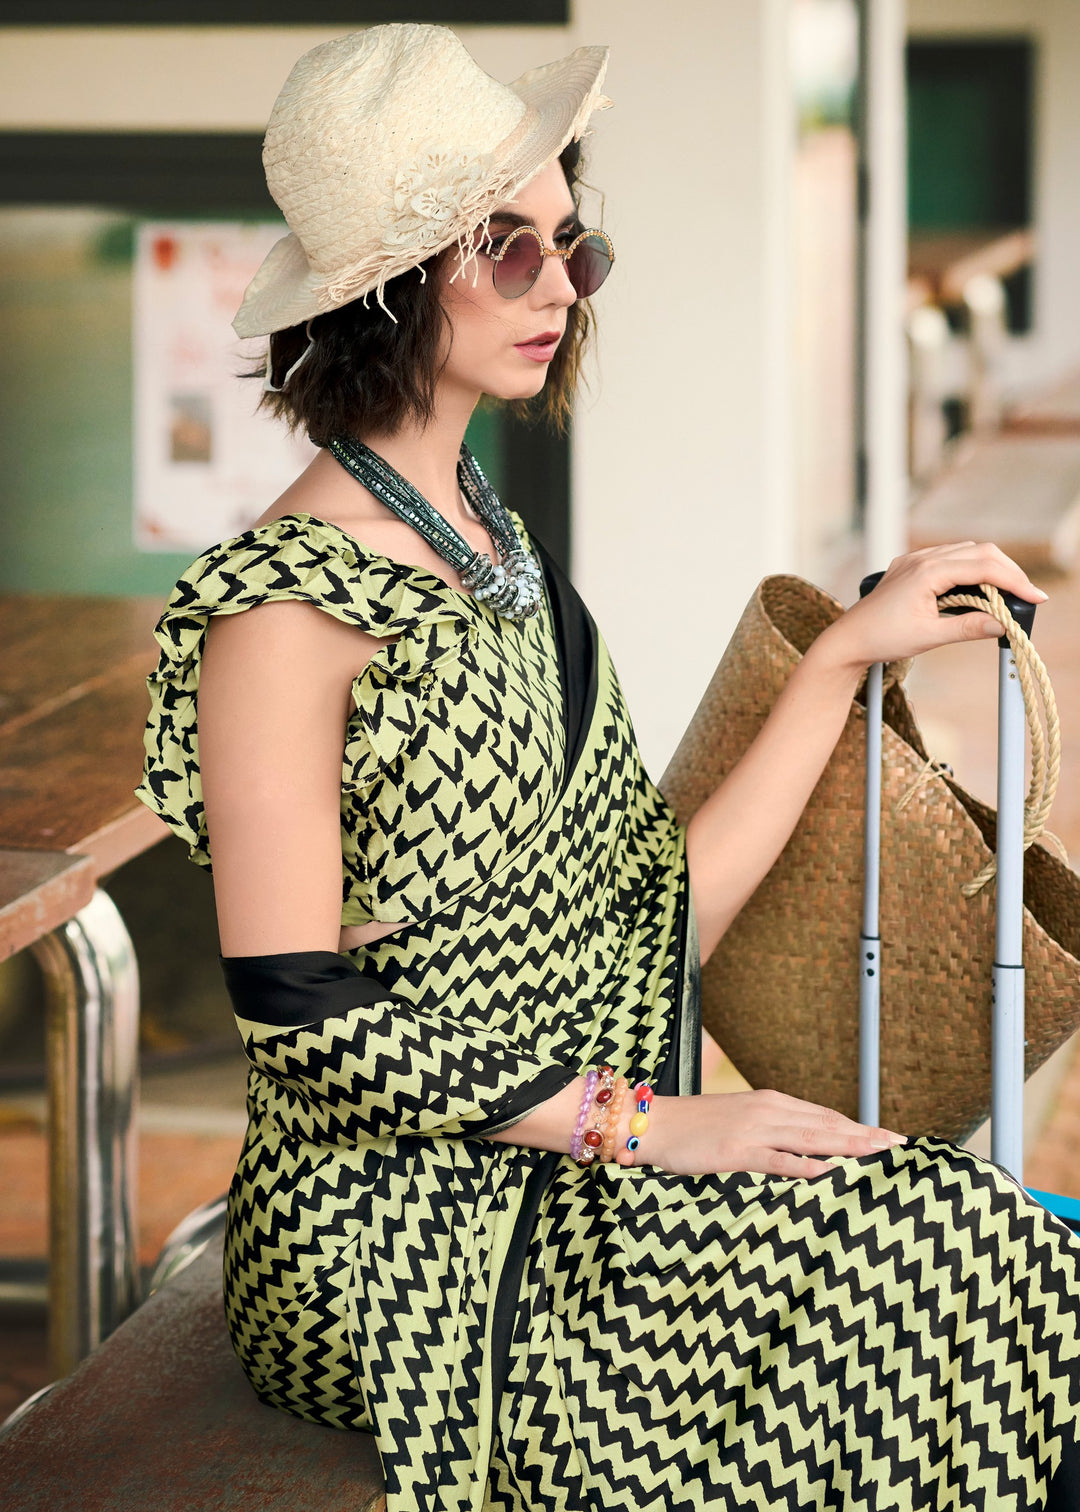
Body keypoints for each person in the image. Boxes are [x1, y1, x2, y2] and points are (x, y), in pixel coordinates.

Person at [136, 23, 1080, 1512]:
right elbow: (295, 1010)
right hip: (399, 1239)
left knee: (1005, 1249)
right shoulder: (287, 610)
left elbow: (650, 914)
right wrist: (661, 1124)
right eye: (505, 249)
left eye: (576, 246)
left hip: (572, 1162)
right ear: (387, 281)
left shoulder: (497, 554)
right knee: (959, 1273)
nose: (564, 288)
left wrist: (840, 656)